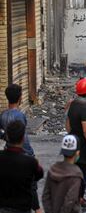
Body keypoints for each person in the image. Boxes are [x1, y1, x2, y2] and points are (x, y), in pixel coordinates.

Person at [0, 84, 41, 213]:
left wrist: (6, 138)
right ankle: (36, 207)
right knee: (29, 185)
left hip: (9, 148)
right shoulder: (19, 116)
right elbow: (23, 138)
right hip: (21, 152)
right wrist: (31, 155)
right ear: (20, 98)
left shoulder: (3, 115)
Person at [0, 121, 44, 213]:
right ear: (23, 138)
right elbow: (37, 177)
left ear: (7, 137)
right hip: (22, 208)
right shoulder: (31, 162)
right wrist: (36, 207)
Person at [66, 77, 86, 203]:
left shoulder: (72, 105)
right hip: (83, 146)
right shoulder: (84, 109)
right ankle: (78, 199)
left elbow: (67, 125)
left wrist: (73, 135)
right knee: (83, 172)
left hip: (73, 143)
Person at [42, 135, 83, 213]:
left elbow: (45, 196)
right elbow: (70, 200)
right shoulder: (76, 174)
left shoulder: (53, 169)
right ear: (77, 153)